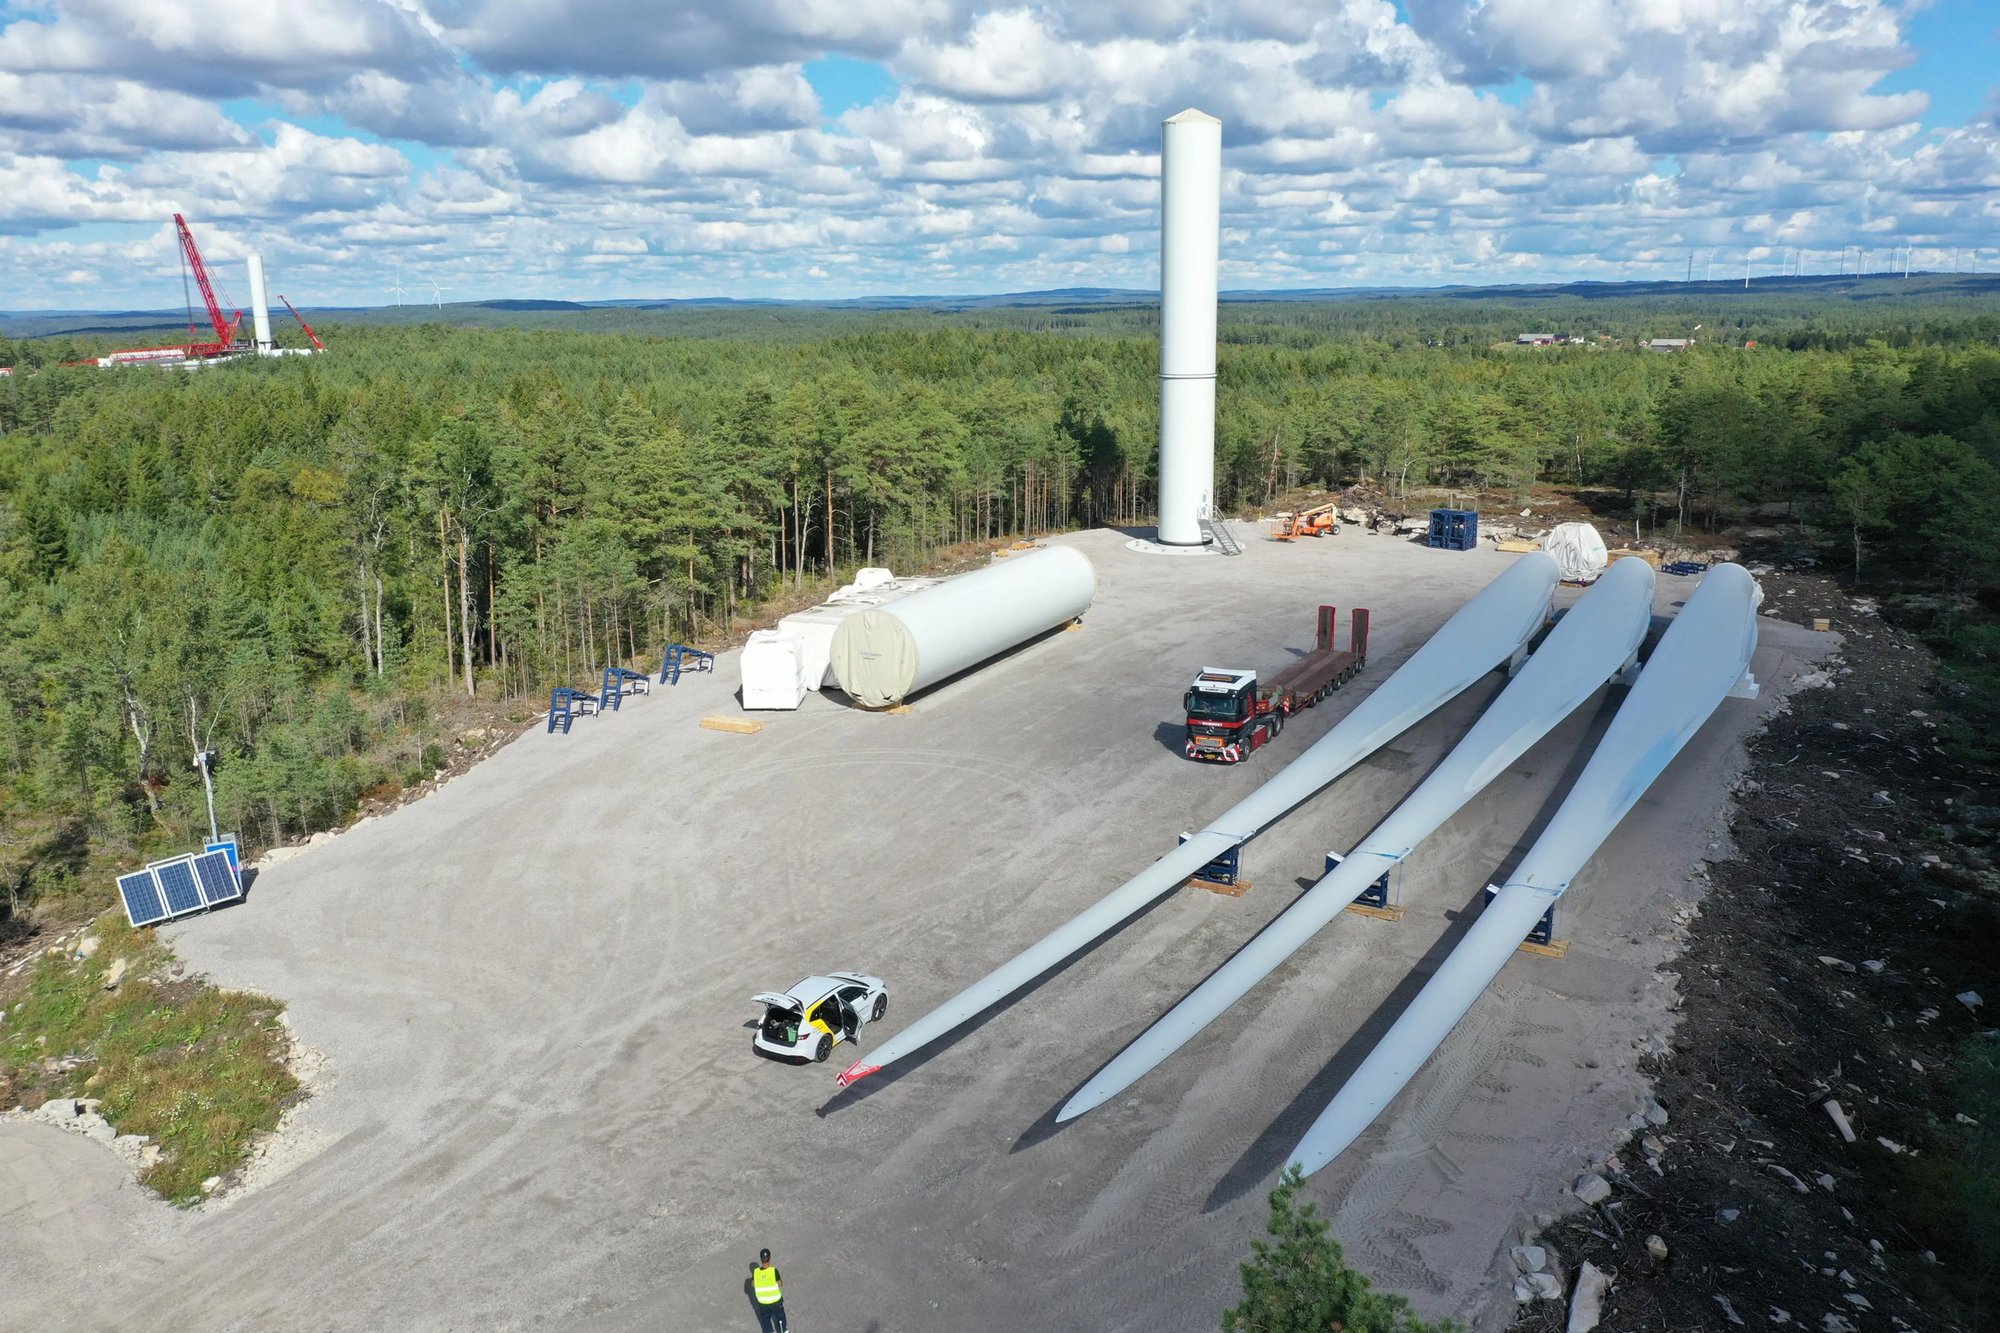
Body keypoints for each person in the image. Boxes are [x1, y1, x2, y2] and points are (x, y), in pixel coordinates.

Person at [751, 1248, 788, 1333]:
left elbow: (753, 1284)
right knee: (780, 1317)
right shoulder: (773, 1271)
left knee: (766, 1320)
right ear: (769, 1258)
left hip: (763, 1302)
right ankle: (783, 1330)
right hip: (775, 1301)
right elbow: (780, 1284)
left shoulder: (756, 1273)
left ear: (761, 1259)